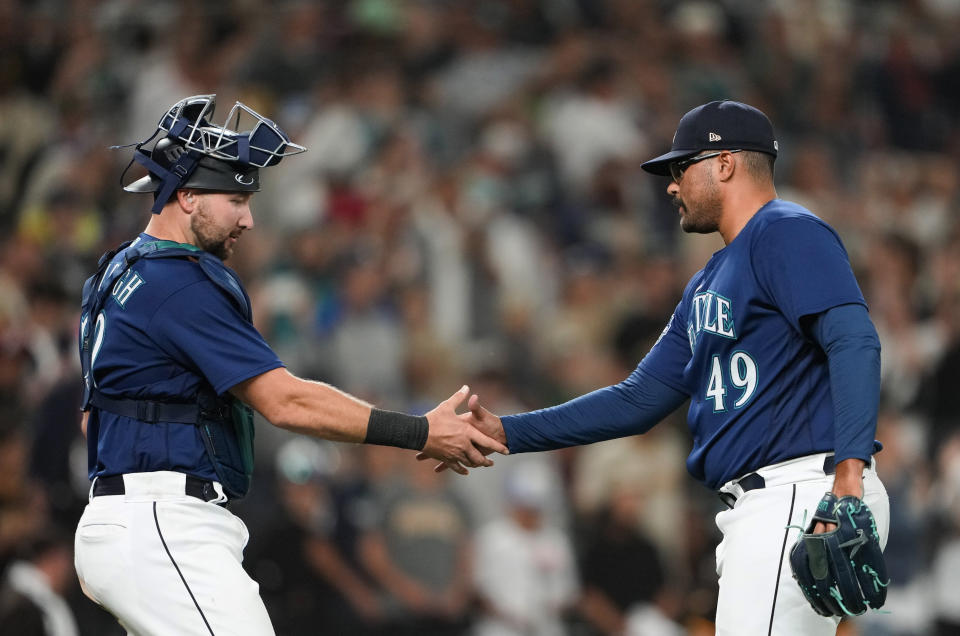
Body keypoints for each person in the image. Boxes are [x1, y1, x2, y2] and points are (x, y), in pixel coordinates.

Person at [434, 100, 890, 635]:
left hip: (800, 490)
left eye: (681, 167)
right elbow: (636, 400)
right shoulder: (707, 281)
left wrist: (850, 475)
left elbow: (855, 340)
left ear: (723, 164)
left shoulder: (785, 230)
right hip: (767, 504)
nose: (671, 185)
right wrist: (509, 431)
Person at [72, 94, 507, 636]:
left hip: (130, 518)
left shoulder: (115, 274)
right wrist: (418, 432)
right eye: (235, 198)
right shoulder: (178, 282)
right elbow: (285, 401)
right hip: (163, 523)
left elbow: (94, 419)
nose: (249, 218)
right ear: (186, 195)